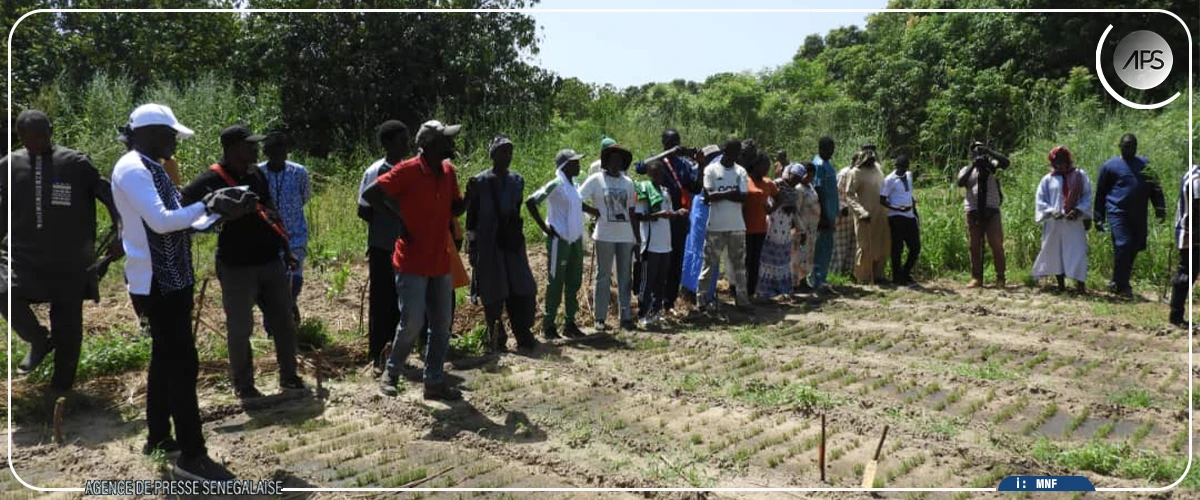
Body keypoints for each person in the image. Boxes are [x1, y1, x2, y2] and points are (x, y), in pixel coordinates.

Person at [111, 103, 238, 480]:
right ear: (150, 133)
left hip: (169, 279)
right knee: (182, 365)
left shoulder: (149, 166)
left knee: (166, 360)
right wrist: (209, 202)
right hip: (157, 283)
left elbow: (178, 217)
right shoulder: (134, 168)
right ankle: (192, 456)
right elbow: (163, 222)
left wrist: (219, 212)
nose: (175, 142)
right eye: (171, 135)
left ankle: (160, 438)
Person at [179, 125, 304, 400]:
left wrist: (287, 249)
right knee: (239, 328)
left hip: (271, 261)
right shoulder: (210, 180)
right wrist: (223, 218)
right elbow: (183, 213)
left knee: (283, 322)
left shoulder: (256, 173)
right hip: (236, 267)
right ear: (232, 148)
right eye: (249, 144)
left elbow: (270, 212)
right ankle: (244, 386)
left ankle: (290, 377)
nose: (255, 149)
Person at [1, 109, 123, 391]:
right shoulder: (8, 165)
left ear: (51, 131)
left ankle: (60, 392)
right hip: (22, 257)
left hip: (70, 261)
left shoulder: (76, 163)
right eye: (28, 138)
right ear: (19, 137)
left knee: (68, 329)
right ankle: (38, 339)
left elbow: (111, 198)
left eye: (41, 136)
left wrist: (121, 233)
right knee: (4, 291)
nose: (36, 142)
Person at [363, 119, 466, 401]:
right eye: (446, 139)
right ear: (432, 144)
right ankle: (391, 372)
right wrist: (401, 217)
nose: (451, 143)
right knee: (412, 322)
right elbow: (371, 194)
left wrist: (470, 198)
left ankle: (433, 382)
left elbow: (455, 207)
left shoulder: (447, 171)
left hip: (439, 260)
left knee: (442, 325)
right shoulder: (406, 171)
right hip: (411, 262)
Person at [465, 135, 539, 352]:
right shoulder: (478, 182)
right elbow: (471, 217)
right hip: (488, 242)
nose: (507, 156)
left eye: (509, 151)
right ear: (493, 154)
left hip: (512, 242)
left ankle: (523, 332)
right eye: (502, 151)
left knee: (522, 286)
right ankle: (497, 337)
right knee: (493, 289)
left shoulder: (518, 180)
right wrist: (472, 246)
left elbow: (516, 210)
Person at [357, 120, 410, 372]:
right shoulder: (377, 170)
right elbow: (363, 209)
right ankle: (378, 356)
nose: (407, 145)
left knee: (403, 301)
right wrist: (389, 222)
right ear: (388, 143)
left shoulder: (410, 169)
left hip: (406, 246)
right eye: (402, 140)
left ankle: (398, 354)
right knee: (382, 302)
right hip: (383, 247)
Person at [1094, 133, 1167, 298]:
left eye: (1133, 146)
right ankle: (1124, 285)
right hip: (1117, 212)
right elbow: (1101, 193)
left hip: (1139, 214)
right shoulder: (1110, 166)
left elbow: (1155, 188)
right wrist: (1098, 217)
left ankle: (1116, 281)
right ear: (1120, 146)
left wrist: (1160, 209)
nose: (1130, 149)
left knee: (1134, 247)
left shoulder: (1145, 165)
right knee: (1123, 244)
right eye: (1126, 146)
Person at [634, 129, 696, 316]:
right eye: (670, 142)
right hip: (659, 222)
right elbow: (639, 167)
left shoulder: (685, 164)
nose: (675, 145)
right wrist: (668, 153)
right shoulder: (658, 160)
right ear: (663, 142)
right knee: (655, 266)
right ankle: (651, 305)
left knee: (675, 263)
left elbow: (695, 186)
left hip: (678, 219)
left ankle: (669, 303)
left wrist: (699, 164)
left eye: (677, 141)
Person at [580, 142, 641, 332]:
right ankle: (599, 318)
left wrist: (637, 238)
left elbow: (631, 211)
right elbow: (577, 198)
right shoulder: (596, 179)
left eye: (619, 160)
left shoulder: (628, 183)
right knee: (603, 276)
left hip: (625, 235)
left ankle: (626, 316)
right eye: (612, 159)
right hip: (604, 235)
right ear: (606, 161)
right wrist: (593, 211)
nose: (616, 163)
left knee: (625, 276)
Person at [527, 149, 587, 339]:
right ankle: (549, 324)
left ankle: (570, 323)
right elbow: (531, 202)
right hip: (559, 240)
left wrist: (595, 211)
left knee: (574, 281)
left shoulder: (573, 184)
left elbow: (578, 205)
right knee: (555, 282)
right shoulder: (557, 184)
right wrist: (544, 228)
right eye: (575, 162)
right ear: (565, 166)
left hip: (575, 239)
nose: (579, 165)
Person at [256, 131, 310, 337]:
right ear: (266, 151)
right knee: (270, 284)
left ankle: (288, 308)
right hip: (266, 238)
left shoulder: (299, 173)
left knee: (293, 280)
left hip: (295, 235)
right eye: (273, 149)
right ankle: (274, 327)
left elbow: (304, 197)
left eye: (282, 148)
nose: (278, 153)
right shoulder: (258, 172)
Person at [697, 139, 751, 312]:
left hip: (737, 227)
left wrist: (718, 194)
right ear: (725, 151)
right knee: (709, 265)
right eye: (733, 152)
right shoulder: (711, 170)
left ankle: (743, 301)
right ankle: (703, 301)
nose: (735, 156)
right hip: (715, 227)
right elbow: (707, 195)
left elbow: (743, 196)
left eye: (738, 153)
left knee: (739, 266)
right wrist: (730, 193)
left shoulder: (741, 171)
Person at [1032, 146, 1092, 293]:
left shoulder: (1080, 175)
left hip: (1074, 223)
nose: (1060, 163)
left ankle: (1080, 286)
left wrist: (1078, 210)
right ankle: (1061, 285)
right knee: (1055, 252)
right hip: (1054, 223)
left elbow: (1087, 196)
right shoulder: (1047, 179)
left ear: (1068, 159)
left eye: (1062, 159)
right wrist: (1051, 211)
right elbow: (1040, 200)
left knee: (1077, 252)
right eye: (1056, 160)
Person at [634, 159, 682, 327]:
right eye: (655, 173)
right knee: (648, 281)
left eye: (661, 173)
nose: (659, 176)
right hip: (651, 242)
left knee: (661, 280)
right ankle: (642, 314)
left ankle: (656, 311)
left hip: (665, 243)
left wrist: (677, 213)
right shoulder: (644, 189)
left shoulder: (665, 191)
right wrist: (658, 215)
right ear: (649, 174)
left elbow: (668, 212)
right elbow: (639, 216)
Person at [957, 141, 1011, 288]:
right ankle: (976, 277)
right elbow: (960, 183)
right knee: (974, 246)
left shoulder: (993, 165)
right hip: (972, 211)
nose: (979, 152)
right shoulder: (966, 169)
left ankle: (1000, 277)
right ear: (971, 154)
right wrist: (974, 164)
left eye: (981, 149)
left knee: (996, 245)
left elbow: (1006, 162)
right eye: (976, 150)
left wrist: (989, 152)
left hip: (992, 211)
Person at [680, 145, 723, 302]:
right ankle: (695, 289)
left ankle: (701, 290)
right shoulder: (702, 171)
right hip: (702, 212)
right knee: (698, 250)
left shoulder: (713, 170)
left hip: (708, 213)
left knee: (704, 251)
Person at [845, 144, 890, 284]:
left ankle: (878, 275)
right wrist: (861, 212)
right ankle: (863, 276)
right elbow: (849, 195)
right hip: (865, 216)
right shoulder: (856, 172)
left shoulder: (878, 169)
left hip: (881, 214)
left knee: (881, 244)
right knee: (865, 246)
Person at [757, 164, 801, 298]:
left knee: (782, 258)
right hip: (774, 222)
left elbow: (794, 209)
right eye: (795, 176)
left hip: (785, 227)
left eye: (799, 178)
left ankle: (780, 287)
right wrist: (780, 206)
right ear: (789, 173)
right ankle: (765, 288)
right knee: (769, 256)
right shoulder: (777, 184)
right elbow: (770, 201)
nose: (796, 180)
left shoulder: (795, 190)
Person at [880, 154, 920, 286]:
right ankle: (897, 277)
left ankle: (905, 272)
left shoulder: (909, 176)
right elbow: (882, 200)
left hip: (909, 216)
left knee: (915, 247)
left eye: (905, 168)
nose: (902, 170)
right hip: (896, 216)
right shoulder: (890, 180)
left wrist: (914, 212)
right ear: (896, 166)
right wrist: (895, 208)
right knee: (897, 248)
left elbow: (910, 195)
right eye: (900, 168)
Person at [743, 151, 778, 298]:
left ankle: (751, 291)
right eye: (764, 166)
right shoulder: (745, 179)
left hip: (760, 228)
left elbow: (780, 197)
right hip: (744, 227)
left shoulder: (768, 183)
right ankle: (739, 290)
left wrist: (771, 209)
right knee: (744, 260)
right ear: (755, 165)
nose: (766, 169)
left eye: (768, 167)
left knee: (755, 261)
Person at [1169, 164, 1200, 327]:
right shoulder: (1197, 180)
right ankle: (1176, 316)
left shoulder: (1193, 171)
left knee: (1188, 273)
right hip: (1191, 233)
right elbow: (1197, 208)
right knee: (1186, 274)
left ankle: (1176, 314)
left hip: (1188, 230)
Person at [809, 137, 839, 292]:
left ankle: (823, 278)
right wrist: (825, 215)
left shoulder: (828, 164)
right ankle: (816, 279)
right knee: (820, 247)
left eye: (832, 149)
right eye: (828, 148)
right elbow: (819, 190)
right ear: (821, 148)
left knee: (827, 246)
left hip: (831, 212)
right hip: (824, 214)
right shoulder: (819, 165)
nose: (831, 152)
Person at [792, 162, 822, 291]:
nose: (810, 177)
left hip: (812, 230)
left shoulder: (810, 187)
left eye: (812, 175)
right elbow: (796, 211)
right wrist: (801, 230)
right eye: (808, 175)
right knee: (800, 254)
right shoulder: (799, 189)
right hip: (802, 231)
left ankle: (804, 280)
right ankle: (798, 282)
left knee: (808, 255)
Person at [832, 162, 857, 277]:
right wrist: (842, 207)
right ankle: (835, 272)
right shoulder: (844, 173)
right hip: (843, 214)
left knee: (852, 244)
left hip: (854, 215)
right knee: (839, 245)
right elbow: (835, 194)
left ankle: (848, 271)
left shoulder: (858, 173)